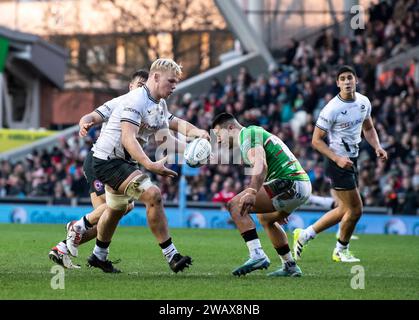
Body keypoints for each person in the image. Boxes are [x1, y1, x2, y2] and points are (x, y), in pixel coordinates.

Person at [88, 58, 208, 273]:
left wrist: (191, 147)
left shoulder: (159, 104)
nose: (174, 86)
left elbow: (165, 140)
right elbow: (128, 138)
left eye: (176, 82)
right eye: (171, 81)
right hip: (108, 162)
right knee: (153, 195)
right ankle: (172, 255)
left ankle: (98, 254)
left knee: (116, 209)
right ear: (155, 77)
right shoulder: (136, 100)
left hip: (122, 162)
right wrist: (149, 164)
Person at [49, 69, 149, 269]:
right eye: (139, 86)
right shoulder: (120, 102)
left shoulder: (149, 108)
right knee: (114, 209)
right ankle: (79, 230)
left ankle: (63, 248)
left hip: (120, 164)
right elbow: (92, 115)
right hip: (101, 163)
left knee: (117, 211)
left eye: (145, 88)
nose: (142, 91)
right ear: (131, 87)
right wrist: (84, 123)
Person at [293, 65, 387, 262]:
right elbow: (316, 140)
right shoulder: (331, 109)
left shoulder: (364, 102)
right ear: (337, 83)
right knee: (356, 209)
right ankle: (340, 250)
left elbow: (368, 128)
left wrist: (377, 146)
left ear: (356, 80)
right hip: (337, 161)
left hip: (351, 159)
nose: (346, 81)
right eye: (342, 78)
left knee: (344, 209)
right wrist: (337, 158)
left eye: (349, 78)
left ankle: (304, 235)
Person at [212, 113, 311, 277]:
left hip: (289, 182)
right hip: (301, 185)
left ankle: (256, 255)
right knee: (266, 219)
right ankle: (290, 265)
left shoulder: (247, 134)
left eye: (218, 135)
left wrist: (251, 192)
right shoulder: (253, 134)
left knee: (235, 205)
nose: (218, 140)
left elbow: (261, 165)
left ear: (230, 128)